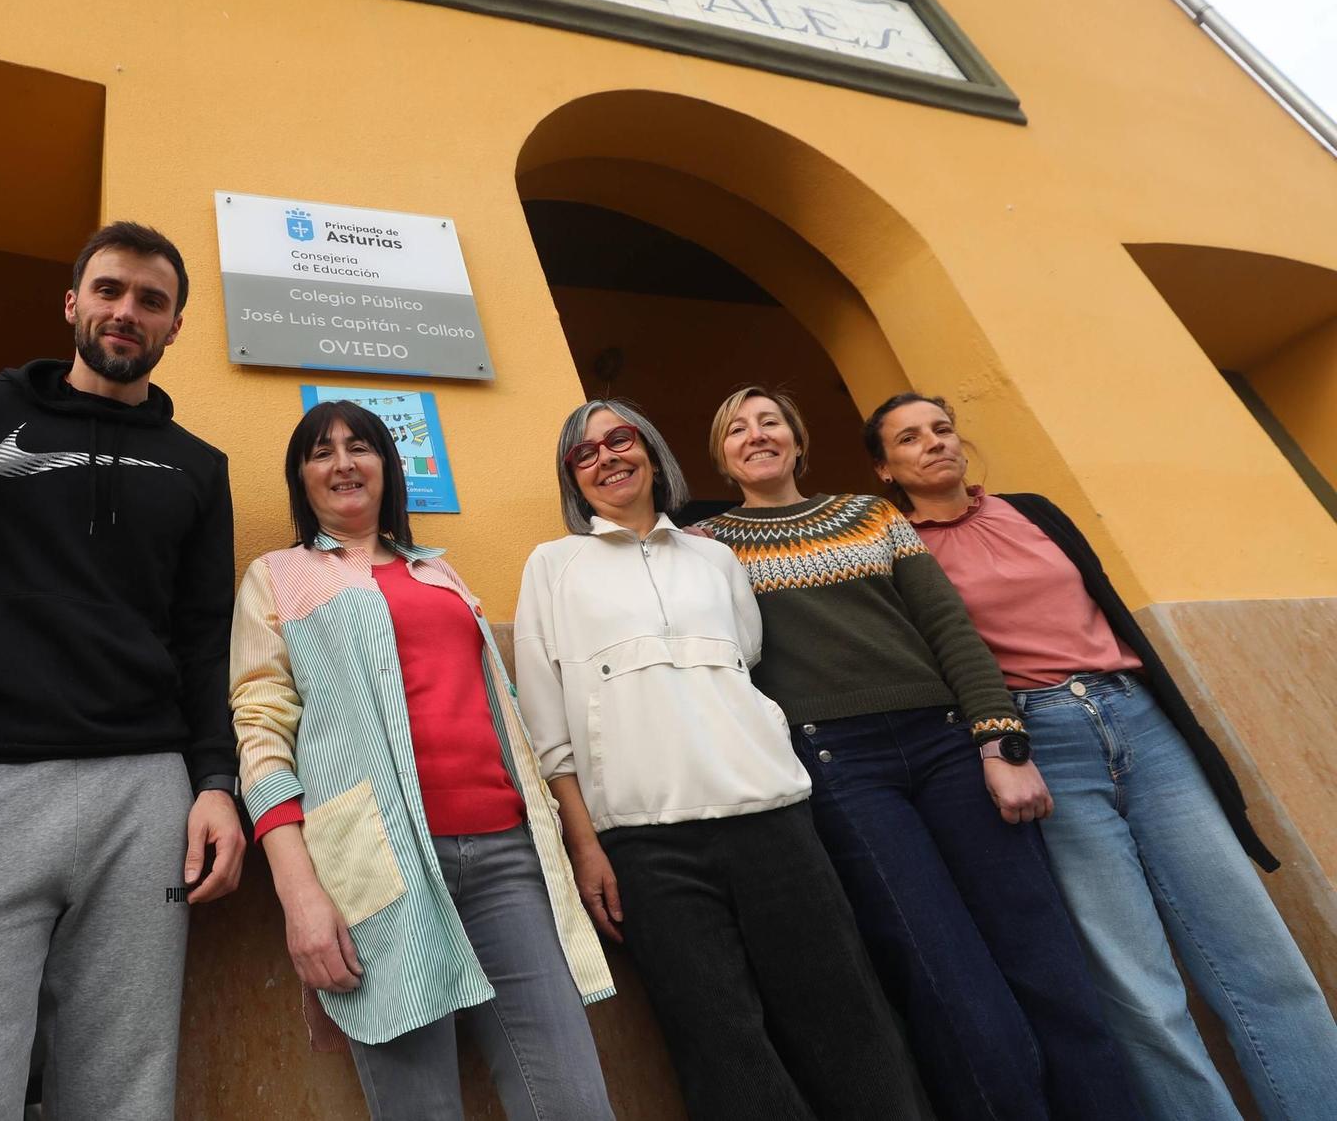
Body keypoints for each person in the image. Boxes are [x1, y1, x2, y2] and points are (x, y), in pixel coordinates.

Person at [867, 391, 1337, 1121]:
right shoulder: (896, 551)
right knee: (1142, 995)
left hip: (1140, 722)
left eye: (943, 428)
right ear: (885, 468)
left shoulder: (1034, 510)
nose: (934, 443)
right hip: (1043, 748)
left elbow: (1108, 606)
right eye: (910, 438)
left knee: (1262, 959)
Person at [0, 221, 243, 1121]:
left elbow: (202, 634)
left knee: (122, 1087)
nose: (127, 312)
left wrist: (216, 780)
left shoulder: (199, 466)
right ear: (72, 302)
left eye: (151, 300)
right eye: (109, 290)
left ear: (175, 326)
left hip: (143, 792)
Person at [694, 385, 1141, 1121]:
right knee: (945, 976)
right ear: (720, 455)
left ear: (798, 439)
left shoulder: (872, 516)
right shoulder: (708, 547)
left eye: (770, 420)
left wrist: (1000, 741)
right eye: (736, 428)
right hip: (839, 770)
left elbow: (950, 629)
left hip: (946, 745)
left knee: (1046, 954)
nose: (756, 434)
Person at [514, 398, 929, 1121]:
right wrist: (586, 844)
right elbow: (546, 728)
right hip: (644, 841)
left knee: (845, 1018)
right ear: (571, 478)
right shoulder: (553, 566)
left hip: (772, 814)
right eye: (585, 452)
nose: (607, 456)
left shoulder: (714, 556)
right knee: (721, 1042)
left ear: (653, 452)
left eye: (622, 438)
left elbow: (747, 661)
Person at [231, 400, 615, 1121]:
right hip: (378, 870)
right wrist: (300, 893)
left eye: (359, 446)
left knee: (573, 1104)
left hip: (506, 860)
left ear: (388, 467)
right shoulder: (278, 576)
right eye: (320, 451)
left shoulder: (440, 572)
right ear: (301, 479)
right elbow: (260, 732)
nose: (342, 462)